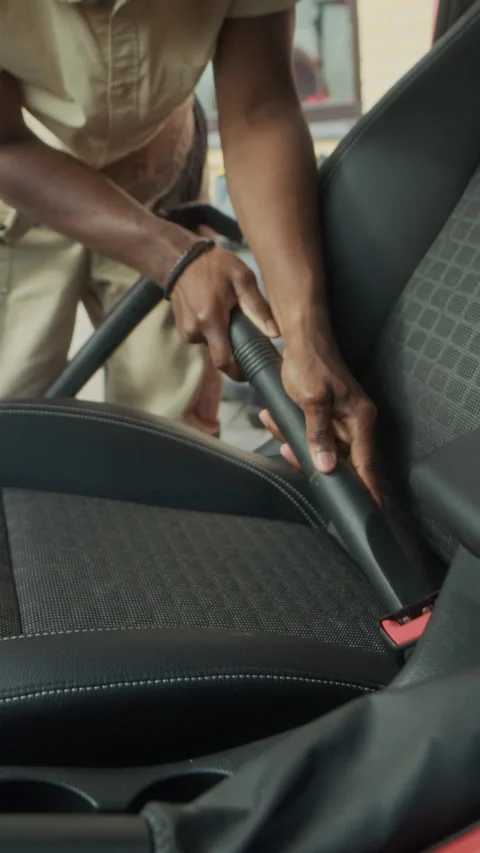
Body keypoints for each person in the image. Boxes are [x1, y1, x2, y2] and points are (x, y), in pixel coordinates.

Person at [0, 0, 379, 502]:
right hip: (17, 187)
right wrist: (172, 257)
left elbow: (259, 110)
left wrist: (307, 337)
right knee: (10, 415)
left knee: (176, 439)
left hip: (159, 170)